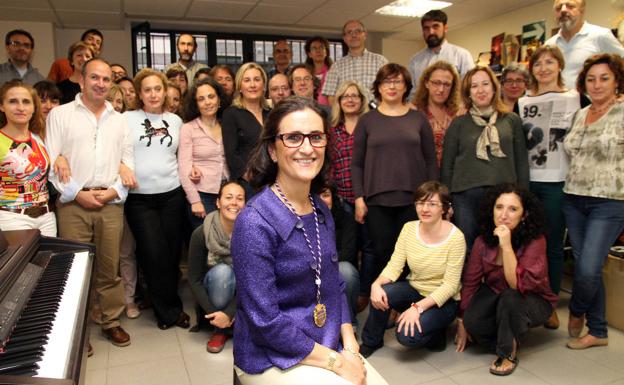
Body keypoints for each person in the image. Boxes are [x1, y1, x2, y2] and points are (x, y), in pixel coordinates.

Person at [231, 96, 387, 385]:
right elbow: (265, 322)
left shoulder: (321, 210)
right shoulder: (254, 222)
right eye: (292, 138)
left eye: (316, 137)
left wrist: (351, 346)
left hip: (326, 343)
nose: (306, 148)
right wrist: (337, 362)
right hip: (272, 354)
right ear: (273, 151)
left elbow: (335, 286)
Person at [45, 58, 134, 347]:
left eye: (107, 79)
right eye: (95, 78)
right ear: (81, 80)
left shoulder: (120, 120)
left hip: (110, 203)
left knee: (110, 269)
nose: (101, 84)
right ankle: (77, 331)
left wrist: (112, 193)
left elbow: (128, 163)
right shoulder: (60, 115)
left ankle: (111, 321)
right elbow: (51, 163)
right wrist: (78, 193)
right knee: (75, 269)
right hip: (74, 204)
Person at [456, 183, 557, 376]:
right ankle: (511, 332)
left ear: (524, 214)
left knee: (510, 297)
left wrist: (507, 245)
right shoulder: (482, 241)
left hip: (531, 298)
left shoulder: (536, 240)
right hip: (496, 293)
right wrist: (462, 321)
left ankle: (507, 352)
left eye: (513, 209)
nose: (504, 215)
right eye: (499, 207)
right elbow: (471, 282)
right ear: (491, 209)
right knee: (473, 321)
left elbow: (516, 285)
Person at [352, 63, 438, 286]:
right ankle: (388, 300)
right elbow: (357, 164)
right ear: (378, 87)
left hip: (414, 199)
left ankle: (406, 304)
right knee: (383, 254)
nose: (391, 86)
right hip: (377, 200)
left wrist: (433, 197)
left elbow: (430, 160)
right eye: (386, 81)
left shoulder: (418, 119)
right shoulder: (366, 121)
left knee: (413, 255)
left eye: (397, 81)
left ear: (405, 86)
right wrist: (359, 198)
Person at [360, 181, 465, 358]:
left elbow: (450, 286)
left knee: (407, 336)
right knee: (382, 292)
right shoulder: (409, 229)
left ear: (444, 208)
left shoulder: (456, 238)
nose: (425, 208)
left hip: (444, 301)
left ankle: (437, 330)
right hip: (415, 289)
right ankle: (372, 341)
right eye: (420, 203)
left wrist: (418, 308)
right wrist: (375, 285)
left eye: (432, 204)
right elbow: (394, 266)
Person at [562, 53, 624, 350]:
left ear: (617, 81)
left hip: (609, 201)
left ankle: (576, 310)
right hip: (573, 198)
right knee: (590, 266)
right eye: (591, 79)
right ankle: (597, 331)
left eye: (604, 78)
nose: (597, 85)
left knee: (587, 269)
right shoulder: (580, 113)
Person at [123, 68, 189, 330]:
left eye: (157, 89)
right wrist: (121, 168)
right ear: (139, 93)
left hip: (172, 194)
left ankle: (168, 306)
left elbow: (181, 157)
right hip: (139, 199)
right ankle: (168, 312)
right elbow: (113, 150)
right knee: (153, 253)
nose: (153, 94)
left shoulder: (176, 121)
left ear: (165, 92)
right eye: (147, 90)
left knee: (172, 254)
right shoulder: (127, 119)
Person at [518, 46, 580, 325]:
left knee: (553, 245)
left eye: (549, 62)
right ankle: (526, 298)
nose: (543, 68)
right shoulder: (522, 102)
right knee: (527, 243)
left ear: (559, 66)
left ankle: (550, 303)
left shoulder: (574, 98)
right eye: (538, 63)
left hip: (557, 182)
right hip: (528, 182)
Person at [441, 65, 529, 253]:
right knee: (468, 248)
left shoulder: (511, 120)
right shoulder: (459, 123)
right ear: (468, 92)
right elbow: (447, 165)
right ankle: (470, 283)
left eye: (485, 84)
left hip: (503, 196)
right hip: (465, 196)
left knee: (501, 247)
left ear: (494, 87)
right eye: (474, 86)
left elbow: (521, 162)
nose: (480, 90)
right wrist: (446, 202)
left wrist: (524, 198)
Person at [328, 80, 374, 313]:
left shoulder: (371, 126)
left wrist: (362, 198)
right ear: (338, 101)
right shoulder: (333, 130)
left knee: (367, 247)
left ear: (362, 100)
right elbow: (330, 166)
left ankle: (364, 291)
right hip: (341, 199)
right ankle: (347, 292)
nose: (350, 99)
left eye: (355, 95)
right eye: (345, 96)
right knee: (346, 248)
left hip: (367, 198)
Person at [188, 181, 245, 353]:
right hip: (214, 293)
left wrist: (230, 312)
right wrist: (217, 315)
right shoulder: (202, 233)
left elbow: (253, 279)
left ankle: (235, 320)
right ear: (218, 202)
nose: (234, 203)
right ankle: (220, 329)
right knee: (222, 272)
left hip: (241, 295)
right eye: (228, 197)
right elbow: (194, 279)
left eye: (239, 198)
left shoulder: (251, 233)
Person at [0, 80, 55, 236]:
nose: (20, 107)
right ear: (2, 106)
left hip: (47, 217)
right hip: (11, 218)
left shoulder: (41, 137)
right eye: (12, 102)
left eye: (26, 102)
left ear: (33, 107)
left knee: (48, 260)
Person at [179, 78, 228, 229]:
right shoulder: (188, 128)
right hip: (202, 194)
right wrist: (194, 200)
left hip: (227, 192)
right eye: (201, 99)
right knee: (206, 243)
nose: (207, 102)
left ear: (219, 99)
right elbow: (184, 168)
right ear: (196, 104)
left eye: (211, 96)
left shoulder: (228, 124)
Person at [545, 0, 624, 90]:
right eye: (558, 8)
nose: (563, 10)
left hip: (592, 102)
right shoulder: (549, 44)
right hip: (559, 101)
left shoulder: (600, 35)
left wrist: (621, 93)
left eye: (570, 6)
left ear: (581, 10)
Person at [221, 62, 270, 197]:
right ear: (240, 86)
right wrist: (250, 178)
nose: (252, 85)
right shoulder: (231, 114)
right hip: (247, 184)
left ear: (264, 85)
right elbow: (231, 154)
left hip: (273, 181)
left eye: (257, 80)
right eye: (247, 80)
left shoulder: (271, 113)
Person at [407, 10, 474, 100]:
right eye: (426, 28)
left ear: (445, 28)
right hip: (421, 112)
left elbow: (469, 88)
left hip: (454, 111)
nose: (431, 32)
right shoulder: (415, 60)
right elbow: (412, 93)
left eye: (435, 27)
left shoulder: (461, 55)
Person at [319, 184, 359, 328]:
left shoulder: (346, 218)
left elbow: (349, 252)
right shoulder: (303, 220)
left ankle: (350, 323)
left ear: (333, 197)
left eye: (325, 195)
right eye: (317, 197)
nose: (322, 200)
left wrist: (326, 264)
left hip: (338, 264)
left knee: (346, 271)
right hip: (313, 268)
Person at [321, 20, 388, 104]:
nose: (354, 35)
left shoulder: (380, 61)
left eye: (358, 31)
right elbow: (331, 95)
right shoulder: (336, 66)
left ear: (365, 35)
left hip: (375, 113)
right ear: (344, 38)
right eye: (349, 32)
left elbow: (388, 89)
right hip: (347, 114)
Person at [412, 60, 462, 166]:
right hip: (423, 176)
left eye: (447, 84)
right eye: (436, 83)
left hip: (452, 176)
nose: (441, 89)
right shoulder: (414, 113)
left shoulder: (457, 114)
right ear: (426, 83)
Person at [305, 36, 333, 105]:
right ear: (309, 54)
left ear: (326, 52)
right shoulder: (304, 73)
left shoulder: (334, 71)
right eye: (314, 48)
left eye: (321, 47)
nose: (318, 51)